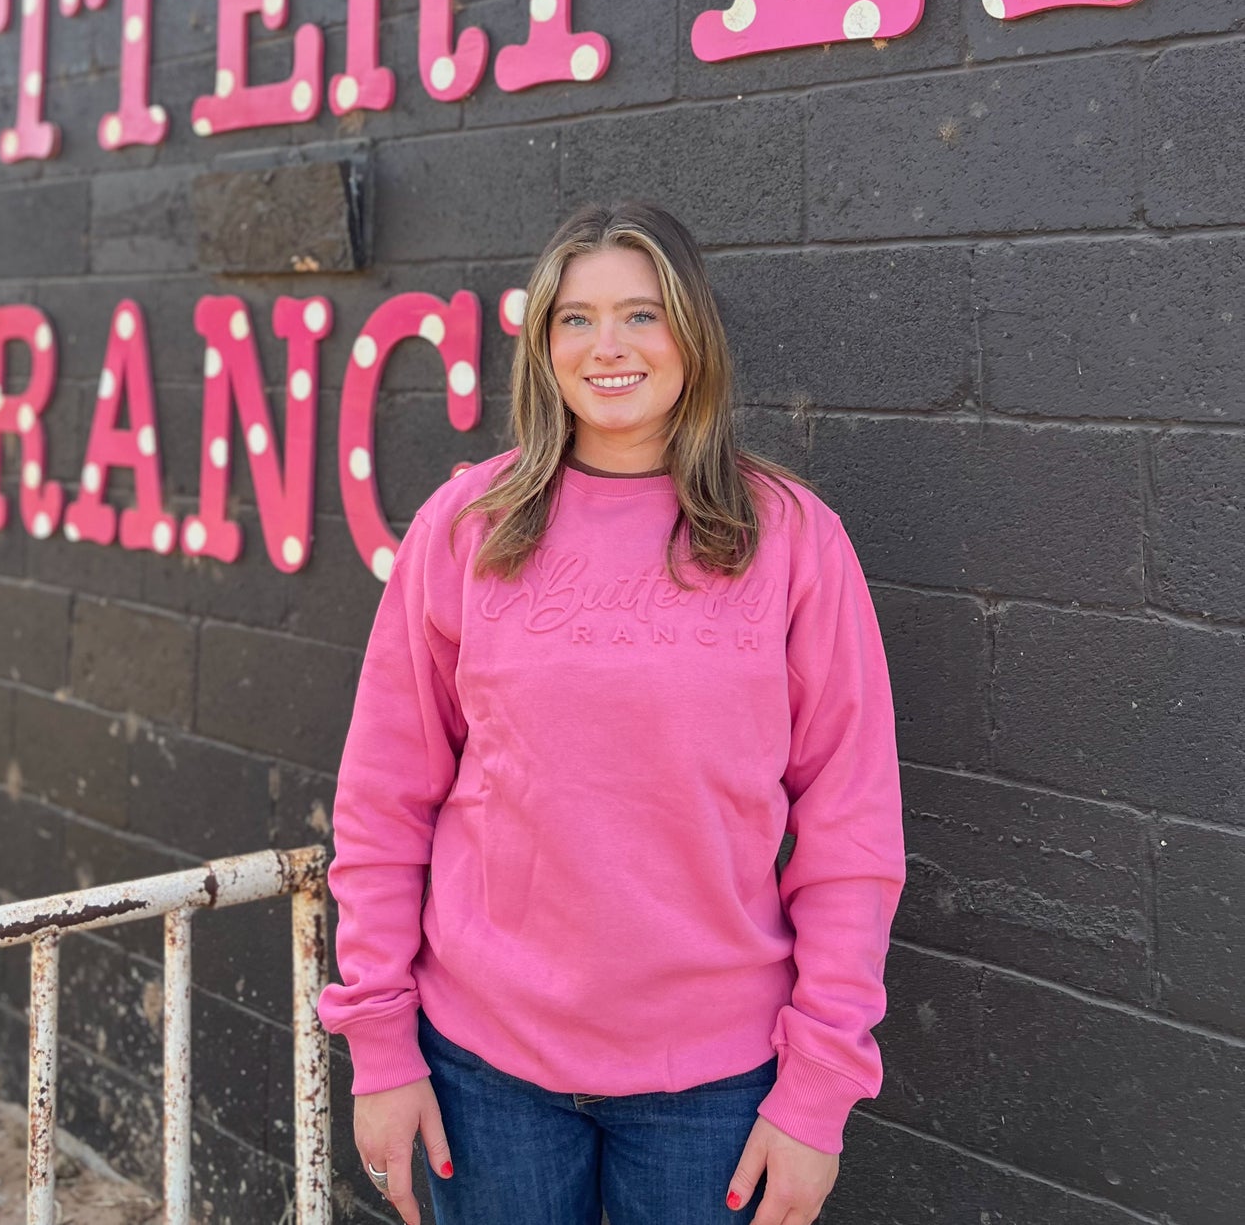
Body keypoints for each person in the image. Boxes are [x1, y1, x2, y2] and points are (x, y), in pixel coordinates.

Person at [317, 202, 905, 1224]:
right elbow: (383, 798)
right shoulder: (465, 526)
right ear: (542, 347)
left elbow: (851, 829)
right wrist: (378, 1042)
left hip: (718, 1085)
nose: (607, 347)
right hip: (480, 1071)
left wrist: (818, 1090)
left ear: (692, 333)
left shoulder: (793, 540)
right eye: (574, 319)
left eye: (641, 313)